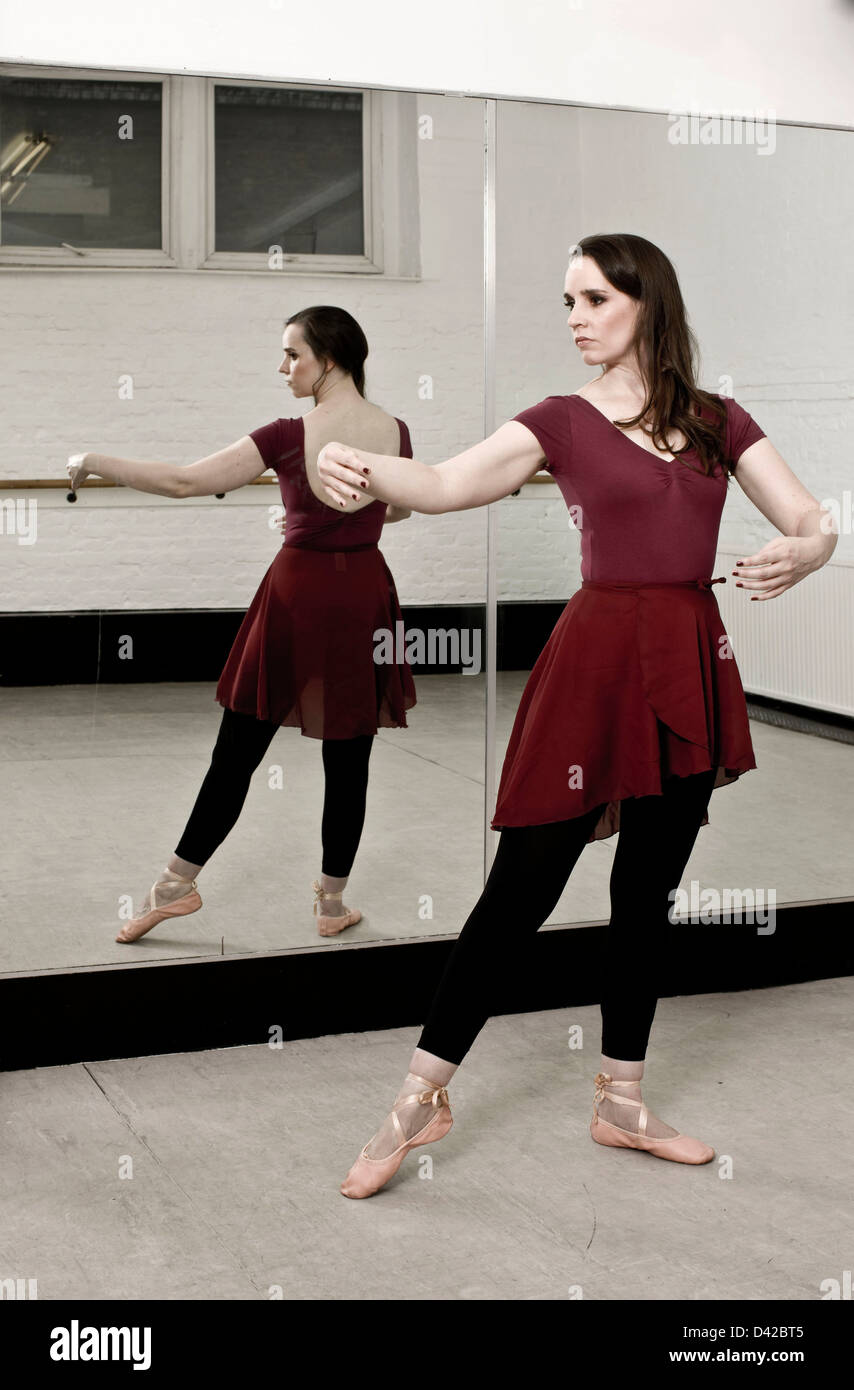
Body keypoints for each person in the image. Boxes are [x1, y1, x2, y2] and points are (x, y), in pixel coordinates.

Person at [315, 233, 838, 1199]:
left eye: (593, 298)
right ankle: (418, 1098)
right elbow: (442, 485)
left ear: (647, 303)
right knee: (520, 893)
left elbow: (813, 519)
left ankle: (621, 1101)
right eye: (567, 302)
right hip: (596, 662)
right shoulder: (558, 419)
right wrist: (357, 465)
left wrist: (810, 552)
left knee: (648, 893)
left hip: (688, 657)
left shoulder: (721, 419)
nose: (575, 319)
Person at [65, 306, 417, 942]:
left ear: (328, 360)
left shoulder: (288, 432)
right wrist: (333, 523)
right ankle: (331, 904)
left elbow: (182, 482)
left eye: (292, 355)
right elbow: (398, 511)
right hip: (361, 594)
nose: (283, 367)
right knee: (350, 758)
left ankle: (174, 885)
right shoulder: (397, 430)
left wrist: (94, 458)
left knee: (236, 755)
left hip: (299, 594)